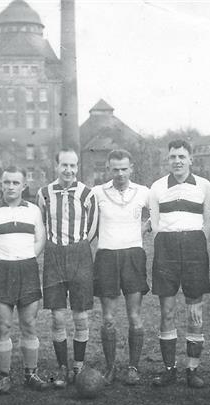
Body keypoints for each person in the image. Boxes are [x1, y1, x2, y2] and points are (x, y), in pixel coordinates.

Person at [148, 140, 210, 388]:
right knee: (167, 311)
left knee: (194, 312)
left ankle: (192, 370)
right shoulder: (156, 188)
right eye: (173, 157)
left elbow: (208, 222)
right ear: (168, 160)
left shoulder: (204, 186)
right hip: (166, 249)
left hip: (194, 249)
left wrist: (195, 242)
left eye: (182, 156)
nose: (177, 161)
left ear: (190, 159)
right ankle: (169, 370)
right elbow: (155, 225)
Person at [0, 168, 49, 392]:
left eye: (15, 183)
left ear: (23, 186)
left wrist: (28, 256)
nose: (10, 186)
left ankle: (31, 374)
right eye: (6, 182)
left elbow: (41, 238)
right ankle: (4, 376)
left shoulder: (33, 211)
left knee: (29, 324)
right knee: (4, 326)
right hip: (2, 270)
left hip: (27, 269)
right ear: (1, 184)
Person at [36, 149, 99, 388]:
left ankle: (79, 367)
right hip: (54, 255)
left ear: (77, 166)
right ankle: (62, 367)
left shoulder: (87, 194)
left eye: (73, 166)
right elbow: (41, 226)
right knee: (58, 316)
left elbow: (92, 229)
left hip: (80, 254)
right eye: (64, 165)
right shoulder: (44, 194)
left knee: (81, 316)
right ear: (56, 166)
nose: (69, 170)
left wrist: (77, 246)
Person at [91, 149, 150, 385]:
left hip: (133, 255)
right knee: (108, 318)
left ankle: (133, 367)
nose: (120, 173)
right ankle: (110, 367)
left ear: (131, 168)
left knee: (134, 316)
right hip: (106, 256)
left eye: (124, 168)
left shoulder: (143, 192)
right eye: (115, 169)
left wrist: (145, 228)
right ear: (108, 169)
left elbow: (159, 212)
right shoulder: (97, 193)